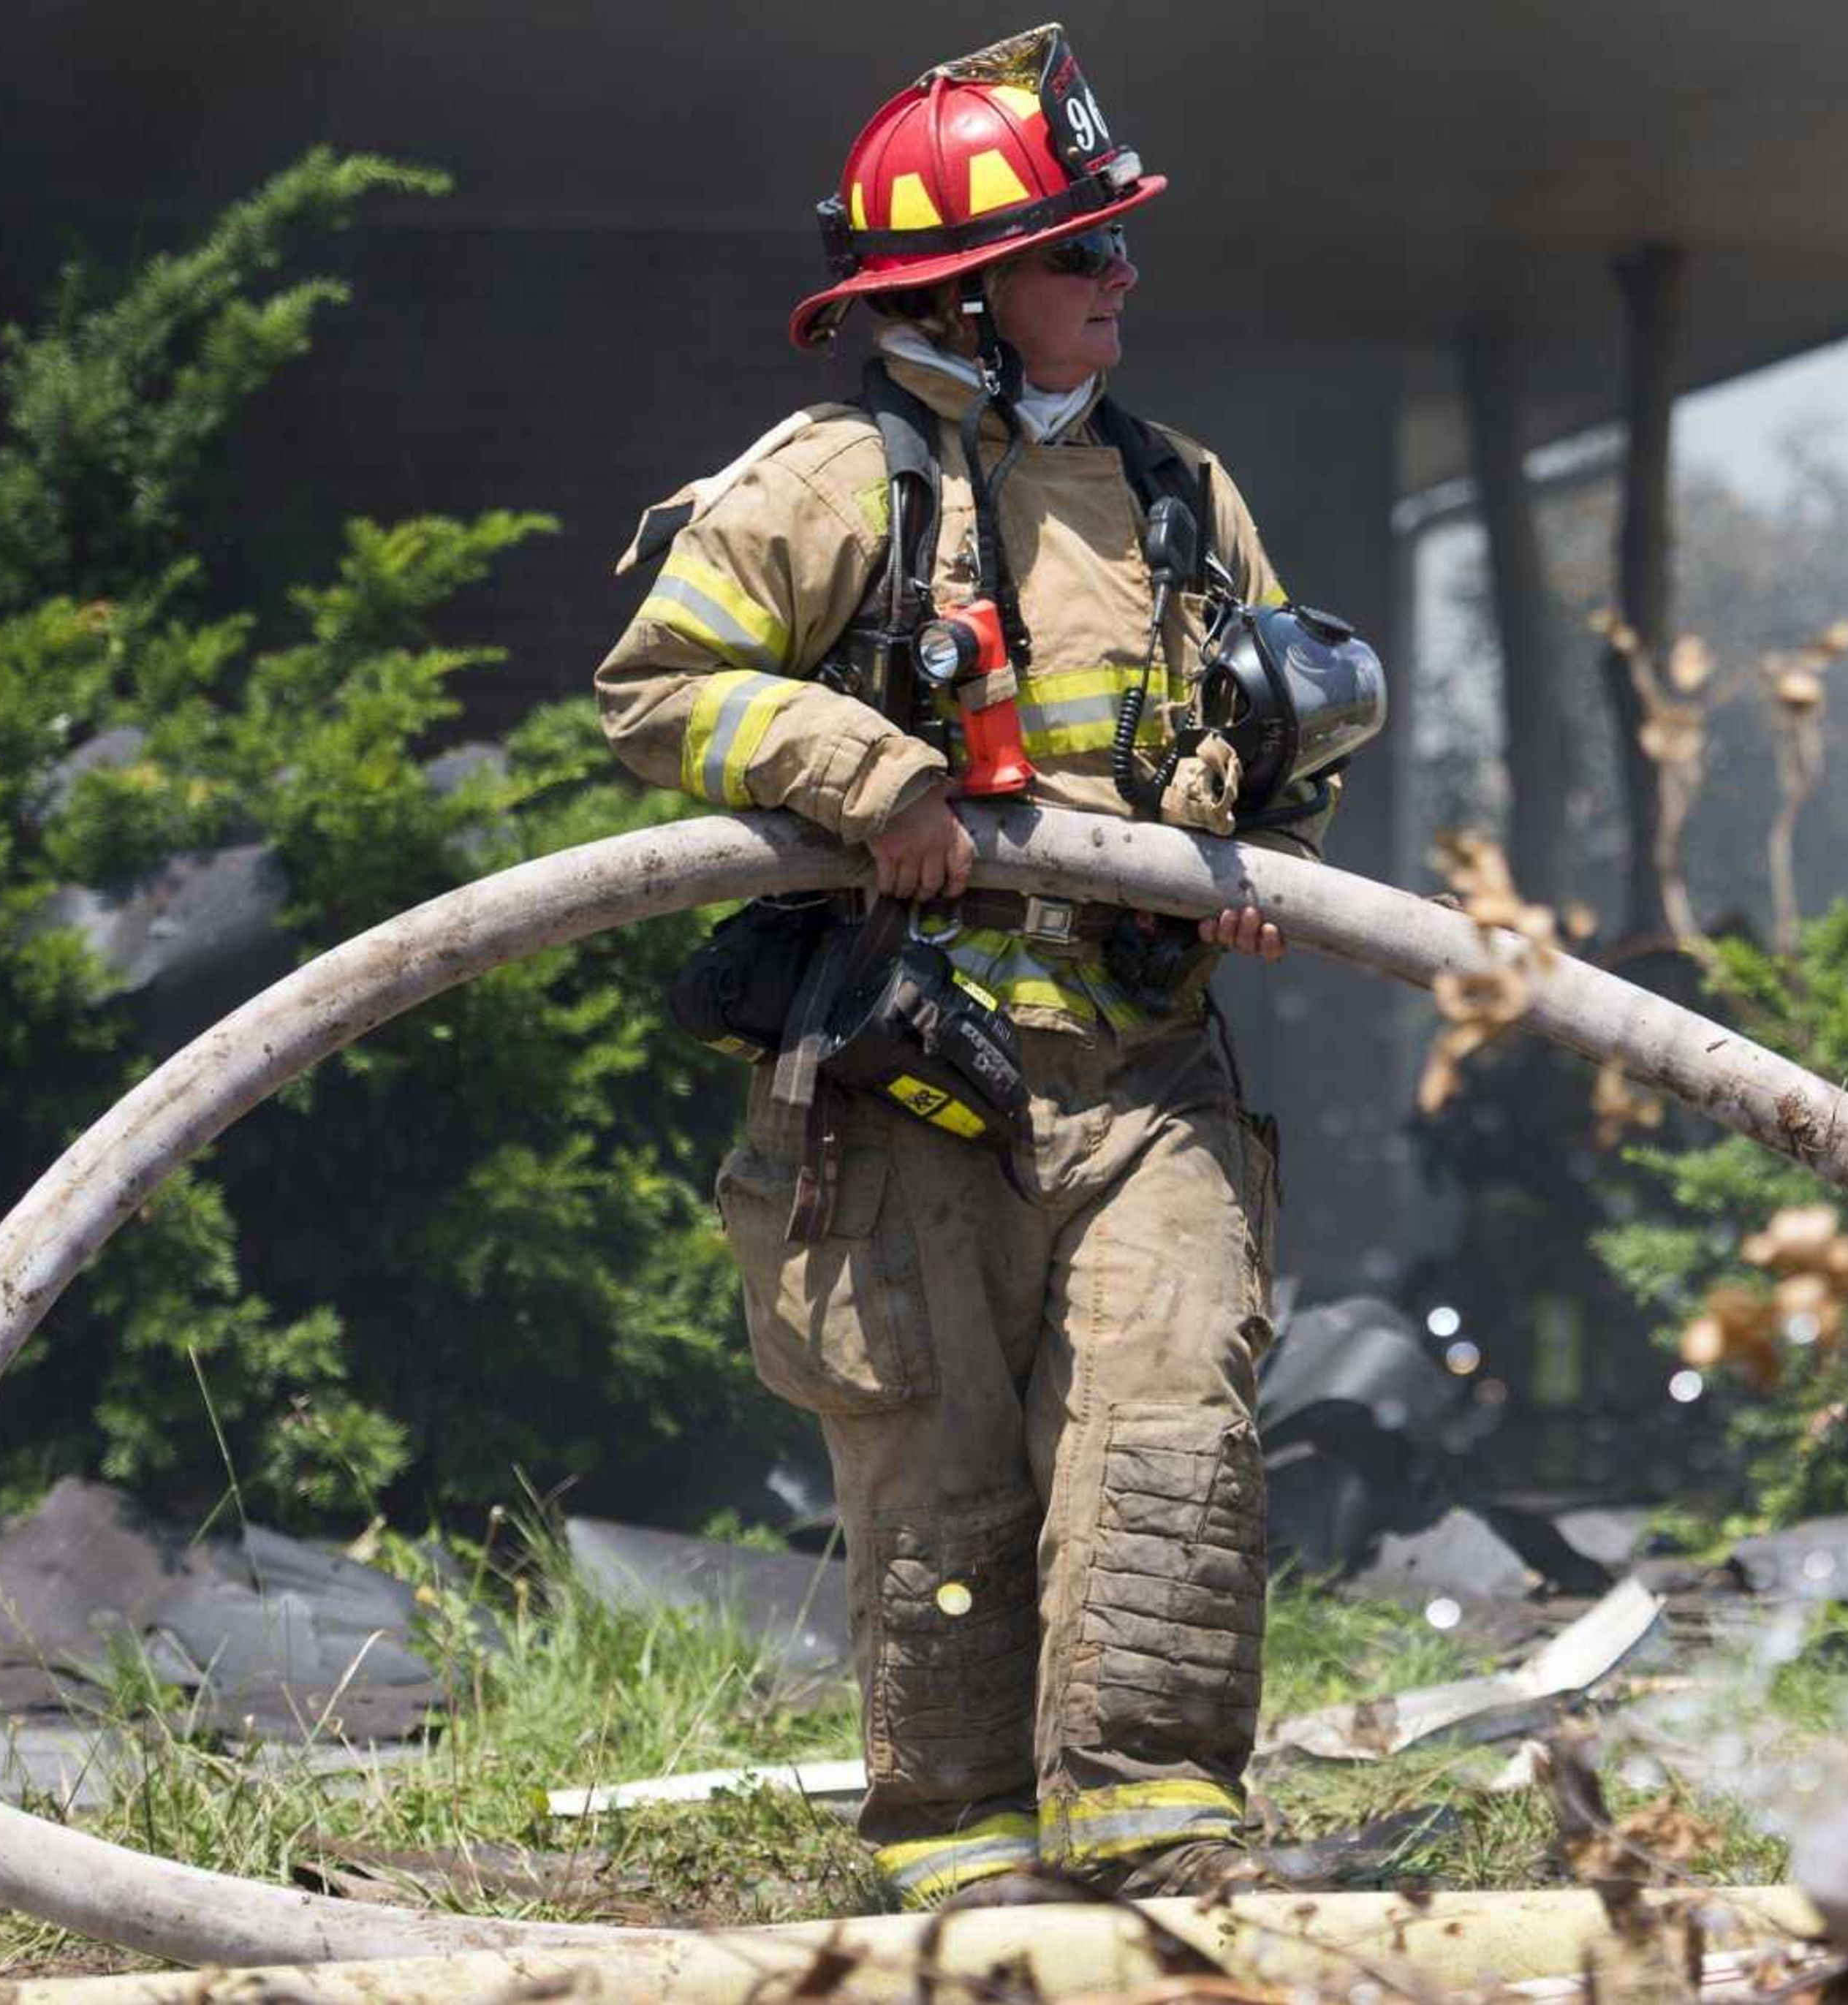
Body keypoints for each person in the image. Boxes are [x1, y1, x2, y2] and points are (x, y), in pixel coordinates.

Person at [594, 25, 1341, 1909]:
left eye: (1115, 248)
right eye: (1083, 254)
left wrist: (1261, 876)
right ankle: (965, 1862)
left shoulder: (1185, 494)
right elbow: (656, 693)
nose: (1120, 281)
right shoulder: (834, 484)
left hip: (1149, 1064)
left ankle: (1162, 1840)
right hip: (912, 1071)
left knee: (1173, 1427)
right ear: (966, 293)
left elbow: (1269, 758)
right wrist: (873, 773)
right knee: (941, 1478)